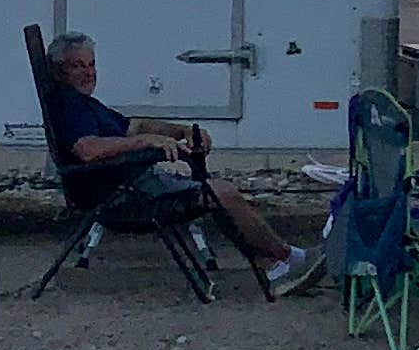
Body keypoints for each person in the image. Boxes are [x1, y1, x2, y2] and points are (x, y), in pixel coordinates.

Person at [42, 30, 324, 293]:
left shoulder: (86, 105)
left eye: (91, 64)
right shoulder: (69, 105)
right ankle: (289, 259)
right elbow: (88, 149)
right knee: (222, 193)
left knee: (217, 192)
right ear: (59, 71)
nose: (89, 72)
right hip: (122, 197)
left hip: (135, 187)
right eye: (78, 66)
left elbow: (135, 126)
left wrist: (180, 131)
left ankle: (279, 262)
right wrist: (147, 142)